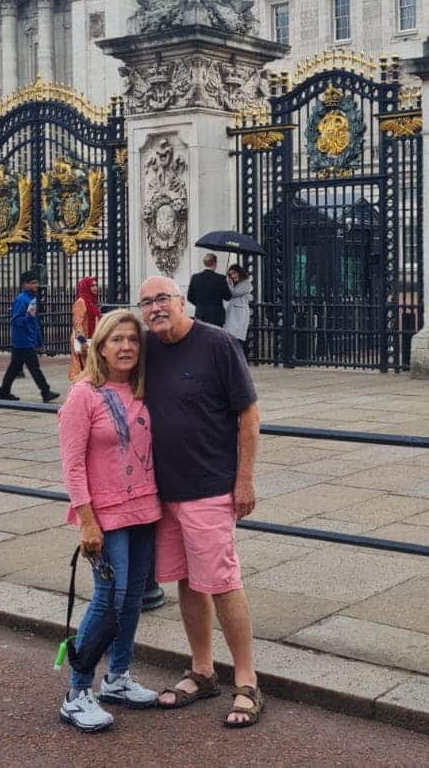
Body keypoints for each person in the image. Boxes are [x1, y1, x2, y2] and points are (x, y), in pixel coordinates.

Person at [137, 275, 265, 728]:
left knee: (223, 581)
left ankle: (247, 680)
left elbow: (248, 413)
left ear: (181, 301)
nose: (155, 308)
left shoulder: (217, 344)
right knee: (188, 582)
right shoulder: (146, 349)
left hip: (210, 486)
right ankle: (203, 670)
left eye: (162, 299)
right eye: (146, 303)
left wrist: (244, 480)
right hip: (163, 490)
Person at [57, 310, 162, 732]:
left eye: (132, 340)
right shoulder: (83, 395)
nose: (126, 347)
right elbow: (72, 464)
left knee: (132, 598)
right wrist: (87, 520)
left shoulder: (142, 389)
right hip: (105, 514)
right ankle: (77, 692)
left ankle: (117, 677)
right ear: (100, 346)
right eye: (117, 339)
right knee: (108, 599)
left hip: (145, 508)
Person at [0, 270, 58, 403]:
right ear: (25, 284)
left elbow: (34, 322)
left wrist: (40, 342)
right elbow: (16, 320)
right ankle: (45, 392)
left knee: (14, 369)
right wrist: (28, 318)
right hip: (23, 341)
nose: (36, 285)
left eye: (37, 282)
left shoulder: (32, 299)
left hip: (27, 339)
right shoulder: (21, 299)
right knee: (34, 368)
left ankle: (3, 392)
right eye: (33, 283)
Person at [69, 276, 101, 381]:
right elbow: (77, 324)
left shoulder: (93, 302)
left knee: (92, 369)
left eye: (96, 285)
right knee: (83, 371)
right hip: (82, 340)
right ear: (86, 287)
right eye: (92, 285)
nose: (95, 287)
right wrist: (82, 341)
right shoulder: (81, 302)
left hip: (92, 339)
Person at [187, 254, 231, 327]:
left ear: (204, 263)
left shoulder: (195, 278)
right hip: (216, 316)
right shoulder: (221, 278)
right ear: (215, 263)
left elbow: (190, 297)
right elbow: (228, 297)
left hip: (200, 314)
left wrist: (200, 305)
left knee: (201, 334)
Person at [224, 264, 252, 357]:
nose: (233, 276)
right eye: (230, 274)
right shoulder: (233, 284)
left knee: (238, 340)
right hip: (231, 314)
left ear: (239, 272)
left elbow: (235, 293)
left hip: (240, 315)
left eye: (234, 273)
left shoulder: (246, 283)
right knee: (230, 339)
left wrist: (228, 283)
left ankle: (239, 360)